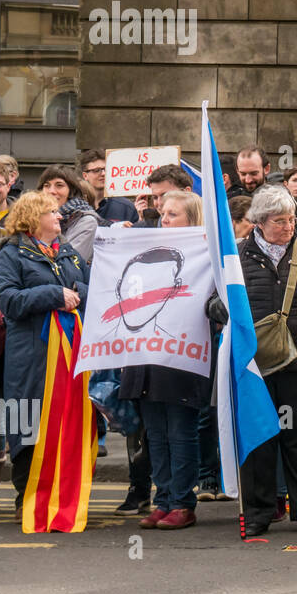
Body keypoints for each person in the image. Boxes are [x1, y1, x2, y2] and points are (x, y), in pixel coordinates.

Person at [210, 185, 297, 538]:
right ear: (259, 222)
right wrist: (219, 308)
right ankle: (259, 510)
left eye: (292, 219)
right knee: (259, 438)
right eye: (280, 221)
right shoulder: (236, 256)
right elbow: (212, 303)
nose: (288, 226)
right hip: (255, 366)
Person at [0, 191, 89, 518]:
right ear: (33, 219)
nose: (59, 217)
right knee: (28, 421)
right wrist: (52, 294)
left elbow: (93, 288)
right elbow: (8, 301)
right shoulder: (11, 255)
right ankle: (27, 497)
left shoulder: (69, 252)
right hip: (31, 355)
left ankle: (63, 493)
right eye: (52, 212)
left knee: (65, 422)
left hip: (70, 355)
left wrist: (75, 293)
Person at [118, 191, 211, 531]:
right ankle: (163, 499)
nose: (165, 220)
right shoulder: (147, 252)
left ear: (192, 218)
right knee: (155, 433)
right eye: (163, 214)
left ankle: (183, 503)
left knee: (180, 431)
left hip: (181, 356)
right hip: (145, 356)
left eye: (173, 214)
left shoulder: (204, 257)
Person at [37, 165, 100, 263]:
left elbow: (70, 264)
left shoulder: (86, 222)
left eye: (59, 185)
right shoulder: (33, 216)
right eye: (47, 185)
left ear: (71, 190)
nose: (52, 191)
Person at [77, 149, 139, 224]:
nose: (103, 173)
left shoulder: (126, 207)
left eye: (106, 169)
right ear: (85, 175)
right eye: (96, 170)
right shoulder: (75, 206)